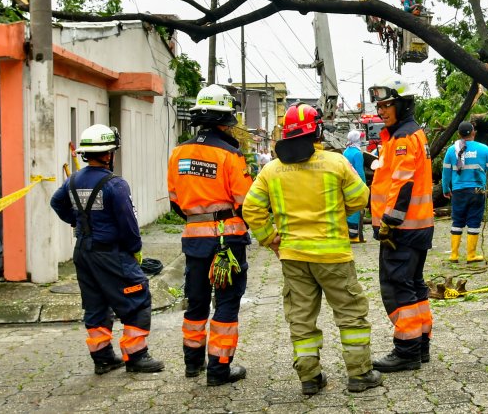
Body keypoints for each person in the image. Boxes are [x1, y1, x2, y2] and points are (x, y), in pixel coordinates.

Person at [242, 104, 384, 396]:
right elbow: (360, 198)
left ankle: (310, 378)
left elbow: (251, 208)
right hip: (333, 256)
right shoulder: (336, 162)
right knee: (350, 314)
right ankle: (359, 374)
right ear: (317, 130)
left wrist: (269, 237)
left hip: (293, 257)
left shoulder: (271, 169)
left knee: (301, 317)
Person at [50, 124, 164, 375]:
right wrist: (135, 250)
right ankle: (136, 357)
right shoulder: (115, 184)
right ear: (108, 154)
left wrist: (79, 221)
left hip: (83, 252)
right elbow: (127, 222)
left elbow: (56, 202)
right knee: (137, 298)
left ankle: (102, 358)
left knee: (96, 305)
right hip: (111, 254)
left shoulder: (72, 180)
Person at [167, 84, 254, 386]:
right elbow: (245, 202)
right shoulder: (231, 154)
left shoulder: (178, 153)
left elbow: (175, 201)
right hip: (226, 242)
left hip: (193, 239)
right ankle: (218, 370)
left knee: (196, 302)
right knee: (227, 303)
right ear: (225, 118)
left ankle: (192, 364)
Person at [367, 74, 434, 373]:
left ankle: (406, 350)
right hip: (418, 227)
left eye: (387, 105)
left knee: (398, 287)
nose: (382, 111)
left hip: (402, 229)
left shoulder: (404, 138)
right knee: (415, 285)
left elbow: (402, 184)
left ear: (403, 104)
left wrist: (388, 223)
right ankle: (420, 345)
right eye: (379, 105)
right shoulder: (410, 133)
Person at [440, 121, 488, 263]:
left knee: (457, 221)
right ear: (473, 132)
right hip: (477, 191)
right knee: (474, 221)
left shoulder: (451, 150)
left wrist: (446, 189)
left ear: (459, 134)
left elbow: (446, 173)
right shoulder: (483, 148)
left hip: (458, 191)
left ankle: (454, 255)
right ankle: (471, 255)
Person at [342, 130, 368, 243]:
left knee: (348, 208)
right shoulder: (357, 153)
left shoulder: (346, 151)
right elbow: (360, 172)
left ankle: (348, 233)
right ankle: (354, 236)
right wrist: (364, 185)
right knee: (356, 210)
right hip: (355, 185)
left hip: (346, 184)